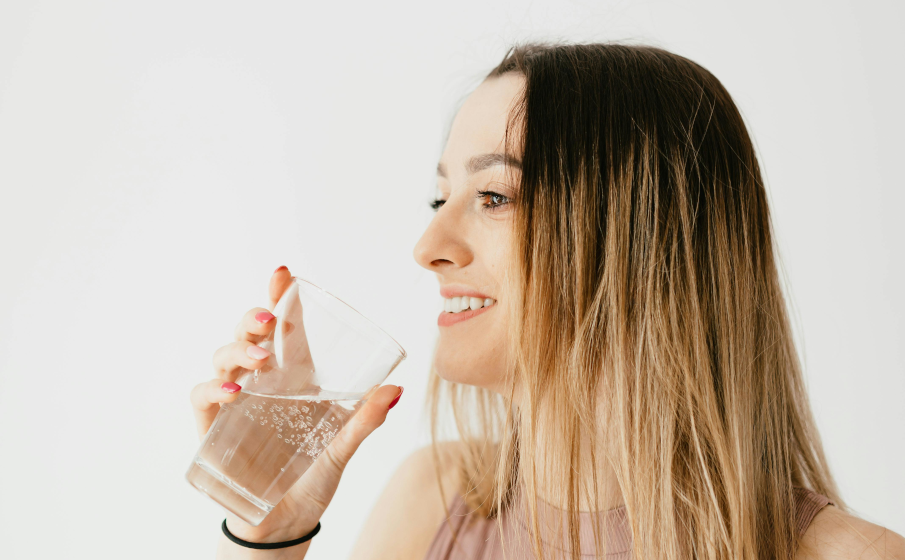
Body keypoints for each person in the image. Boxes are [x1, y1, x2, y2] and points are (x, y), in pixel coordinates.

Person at [190, 43, 905, 559]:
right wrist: (269, 537)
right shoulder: (433, 501)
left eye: (493, 196)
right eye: (441, 197)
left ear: (644, 236)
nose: (428, 244)